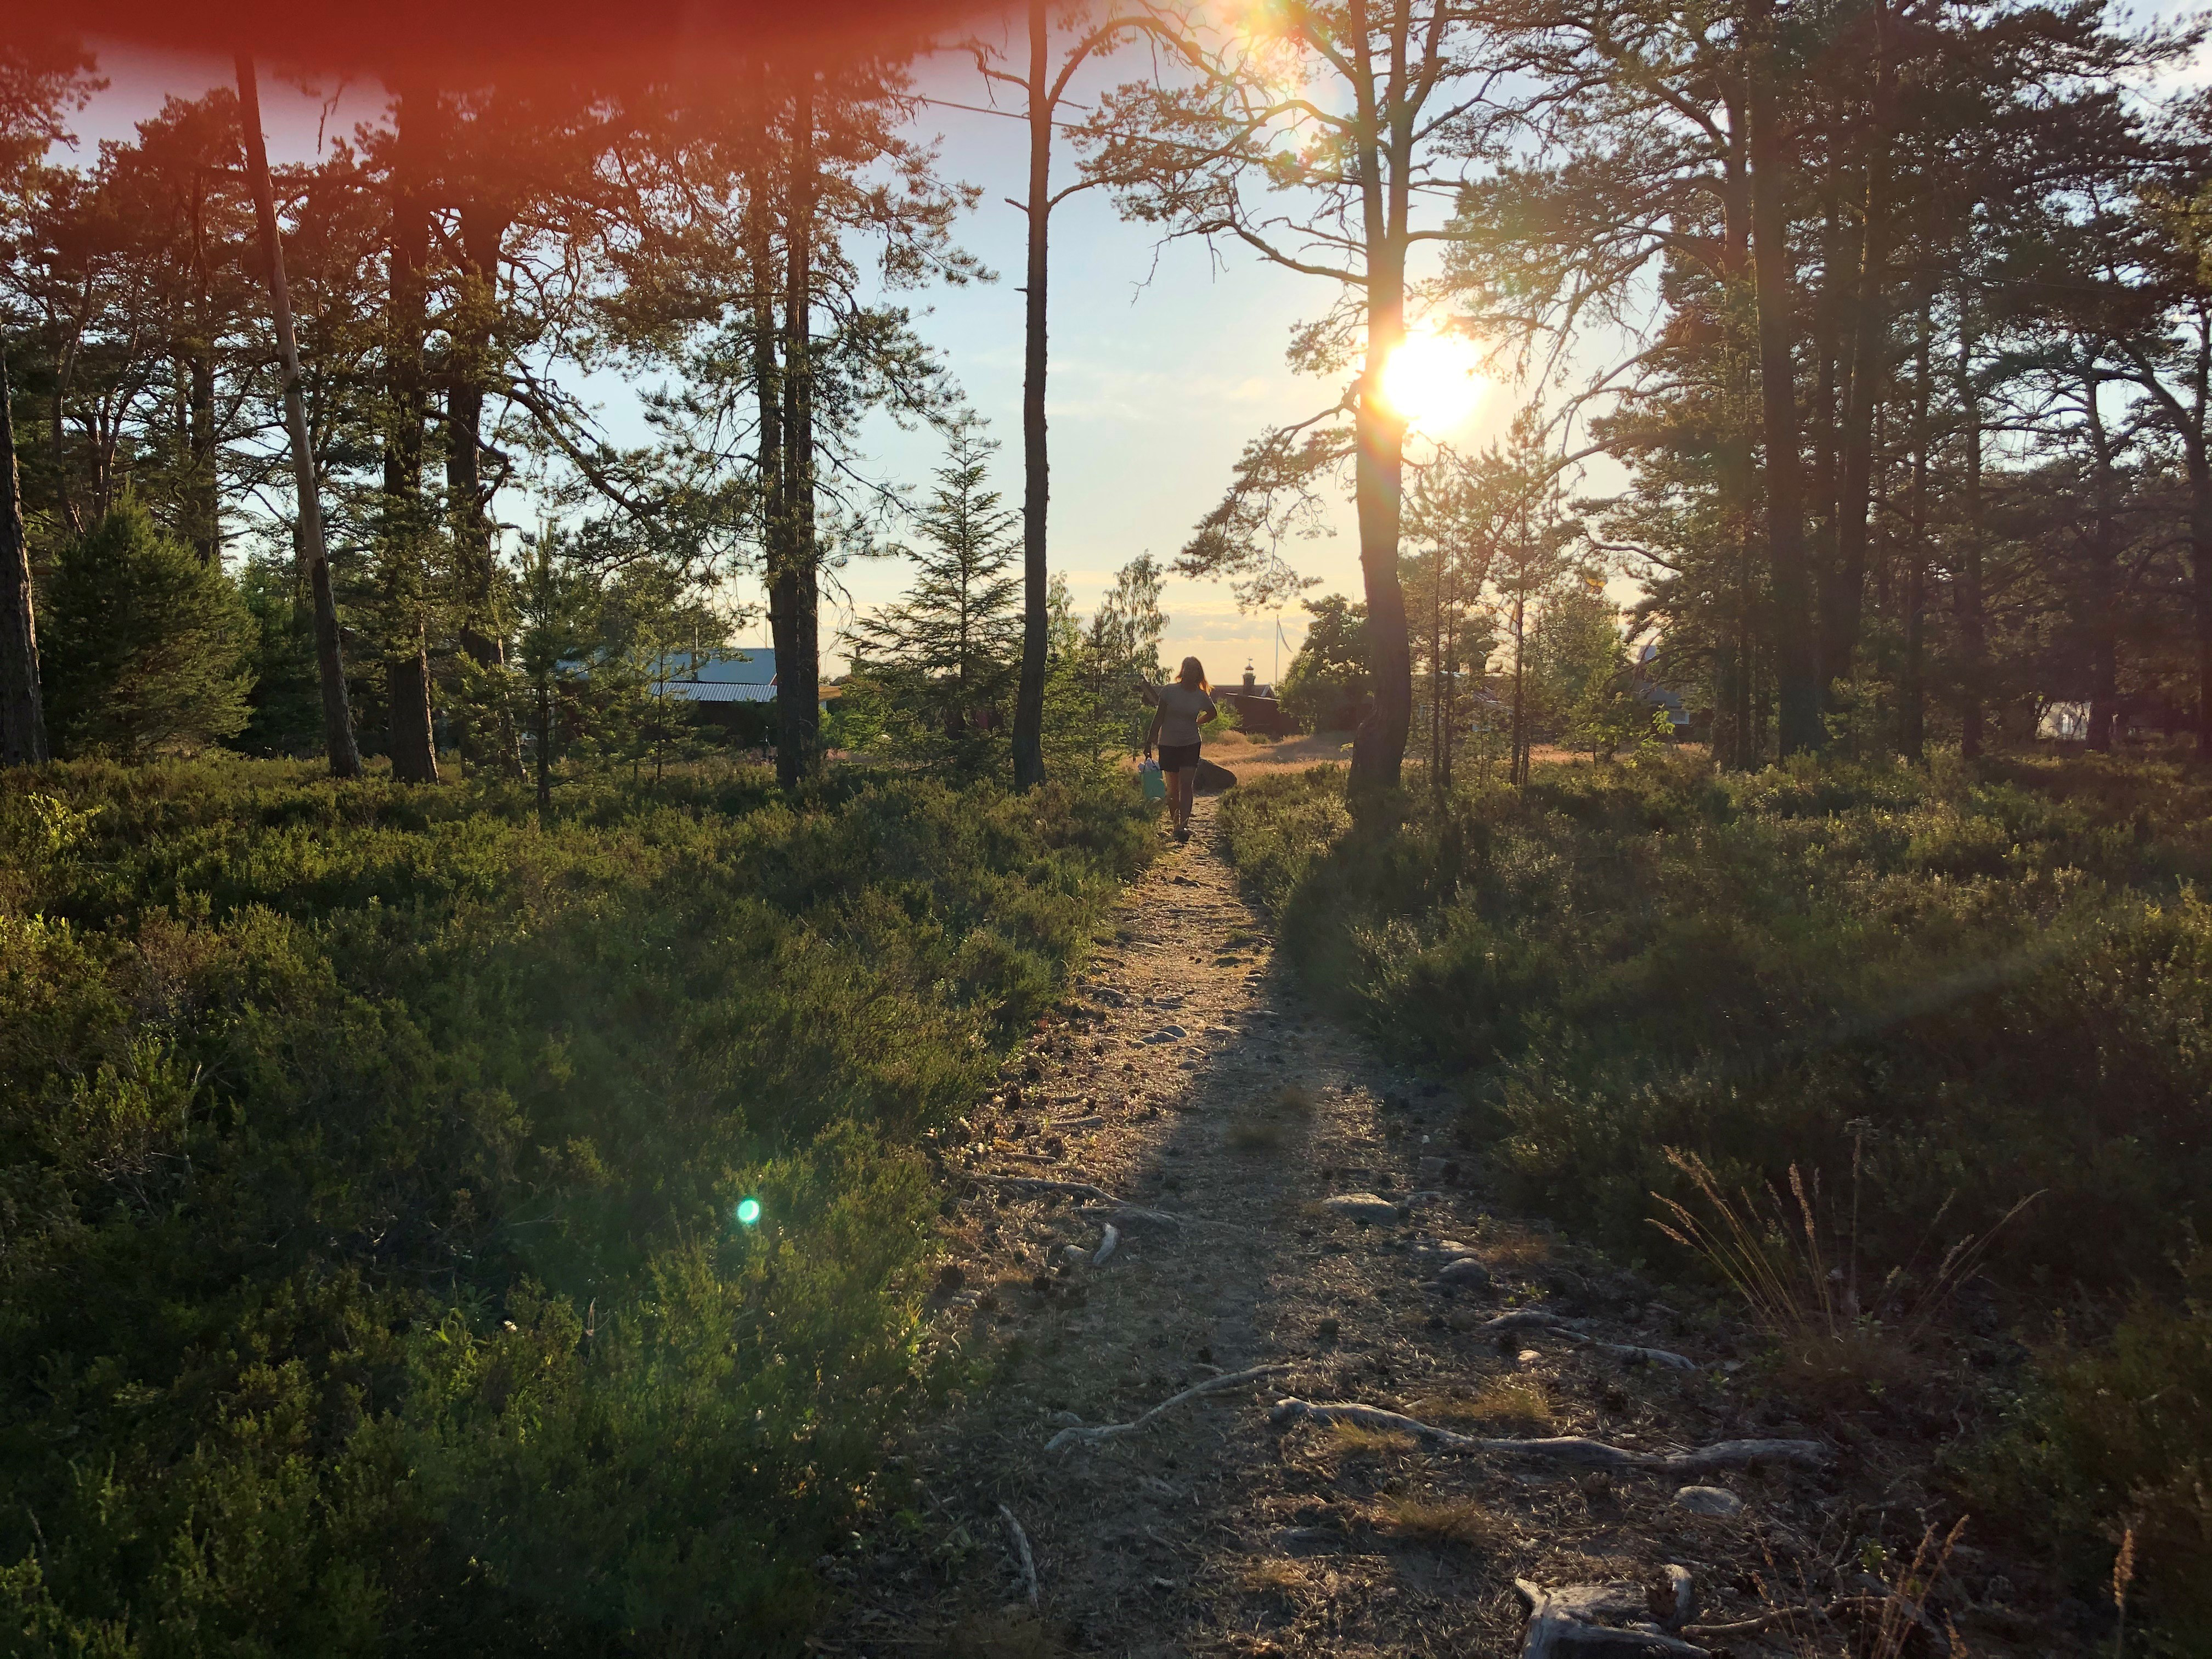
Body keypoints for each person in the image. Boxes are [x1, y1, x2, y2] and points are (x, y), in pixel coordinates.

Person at [1144, 656, 1218, 842]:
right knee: (1173, 788)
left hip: (1191, 743)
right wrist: (1149, 741)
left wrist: (1197, 723)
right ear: (1182, 670)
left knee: (1186, 785)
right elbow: (1159, 717)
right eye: (1188, 668)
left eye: (1194, 670)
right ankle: (1175, 824)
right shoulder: (1169, 691)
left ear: (1198, 674)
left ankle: (1183, 825)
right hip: (1168, 743)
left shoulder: (1201, 695)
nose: (1190, 672)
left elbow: (1213, 713)